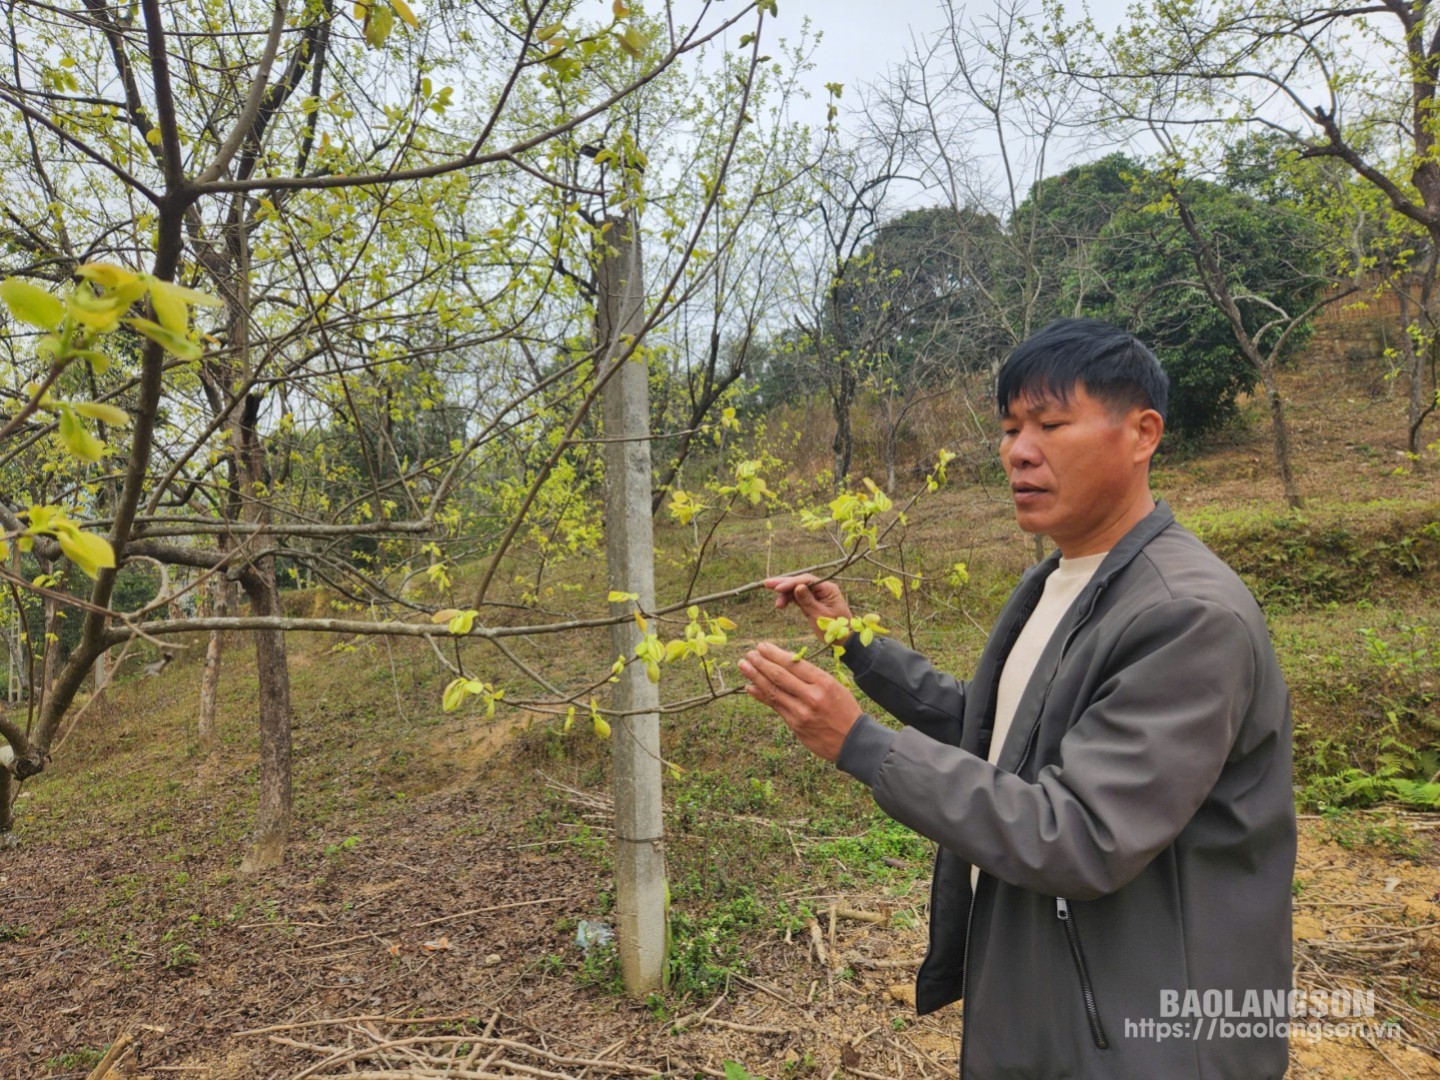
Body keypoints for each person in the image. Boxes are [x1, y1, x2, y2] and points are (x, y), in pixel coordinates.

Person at [738, 319, 1295, 1079]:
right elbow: (999, 727)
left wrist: (861, 744)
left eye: (1051, 424)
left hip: (1147, 1034)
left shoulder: (1187, 616)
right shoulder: (1061, 579)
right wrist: (852, 642)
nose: (1018, 450)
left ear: (1142, 434)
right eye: (1009, 428)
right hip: (1059, 988)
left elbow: (1081, 832)